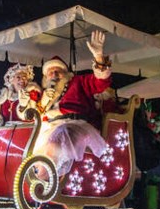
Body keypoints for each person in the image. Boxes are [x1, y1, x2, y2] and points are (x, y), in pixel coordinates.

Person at [30, 30, 112, 176]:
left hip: (76, 127)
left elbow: (100, 82)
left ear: (66, 74)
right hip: (49, 128)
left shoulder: (77, 82)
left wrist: (98, 56)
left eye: (58, 71)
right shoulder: (43, 94)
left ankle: (43, 187)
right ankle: (33, 182)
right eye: (50, 72)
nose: (54, 74)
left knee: (56, 140)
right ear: (45, 77)